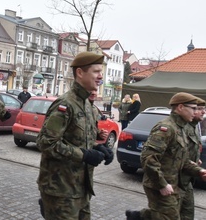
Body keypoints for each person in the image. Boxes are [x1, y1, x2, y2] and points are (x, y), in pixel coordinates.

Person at [36, 52, 114, 219]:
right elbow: (46, 143)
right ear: (80, 73)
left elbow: (78, 140)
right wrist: (84, 155)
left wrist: (98, 148)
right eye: (96, 71)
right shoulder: (65, 104)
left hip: (81, 189)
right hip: (61, 191)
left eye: (101, 71)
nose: (101, 76)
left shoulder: (88, 105)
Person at [125, 92, 206, 220]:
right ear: (180, 107)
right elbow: (148, 158)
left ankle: (137, 217)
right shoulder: (167, 128)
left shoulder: (181, 129)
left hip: (174, 184)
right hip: (160, 185)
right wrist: (161, 184)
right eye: (193, 108)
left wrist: (199, 171)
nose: (196, 112)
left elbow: (183, 160)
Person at [179, 98, 205, 220]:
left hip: (187, 178)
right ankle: (141, 215)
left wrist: (196, 159)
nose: (202, 112)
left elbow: (189, 149)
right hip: (176, 179)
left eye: (203, 109)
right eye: (199, 109)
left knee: (187, 213)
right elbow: (178, 155)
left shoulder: (195, 127)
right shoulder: (183, 127)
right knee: (167, 213)